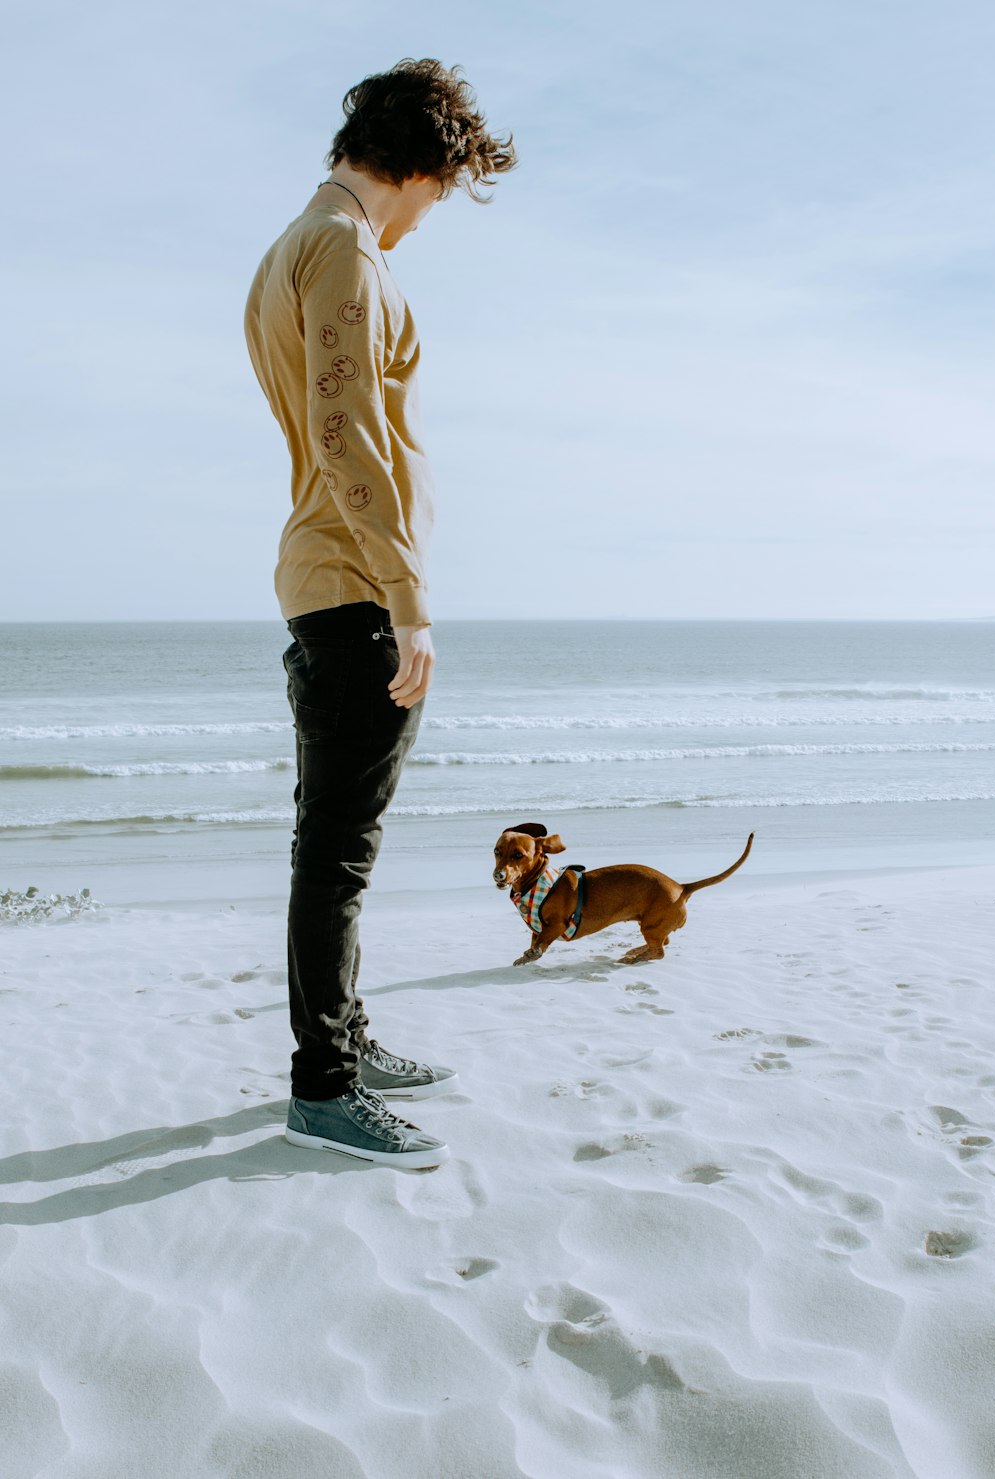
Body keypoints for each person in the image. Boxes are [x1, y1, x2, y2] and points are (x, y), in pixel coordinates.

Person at [243, 59, 516, 1168]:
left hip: (323, 578)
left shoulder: (287, 249)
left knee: (330, 846)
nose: (434, 215)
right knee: (339, 855)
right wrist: (409, 601)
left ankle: (345, 1039)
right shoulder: (348, 250)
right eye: (446, 189)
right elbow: (350, 428)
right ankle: (325, 1087)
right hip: (356, 589)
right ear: (424, 166)